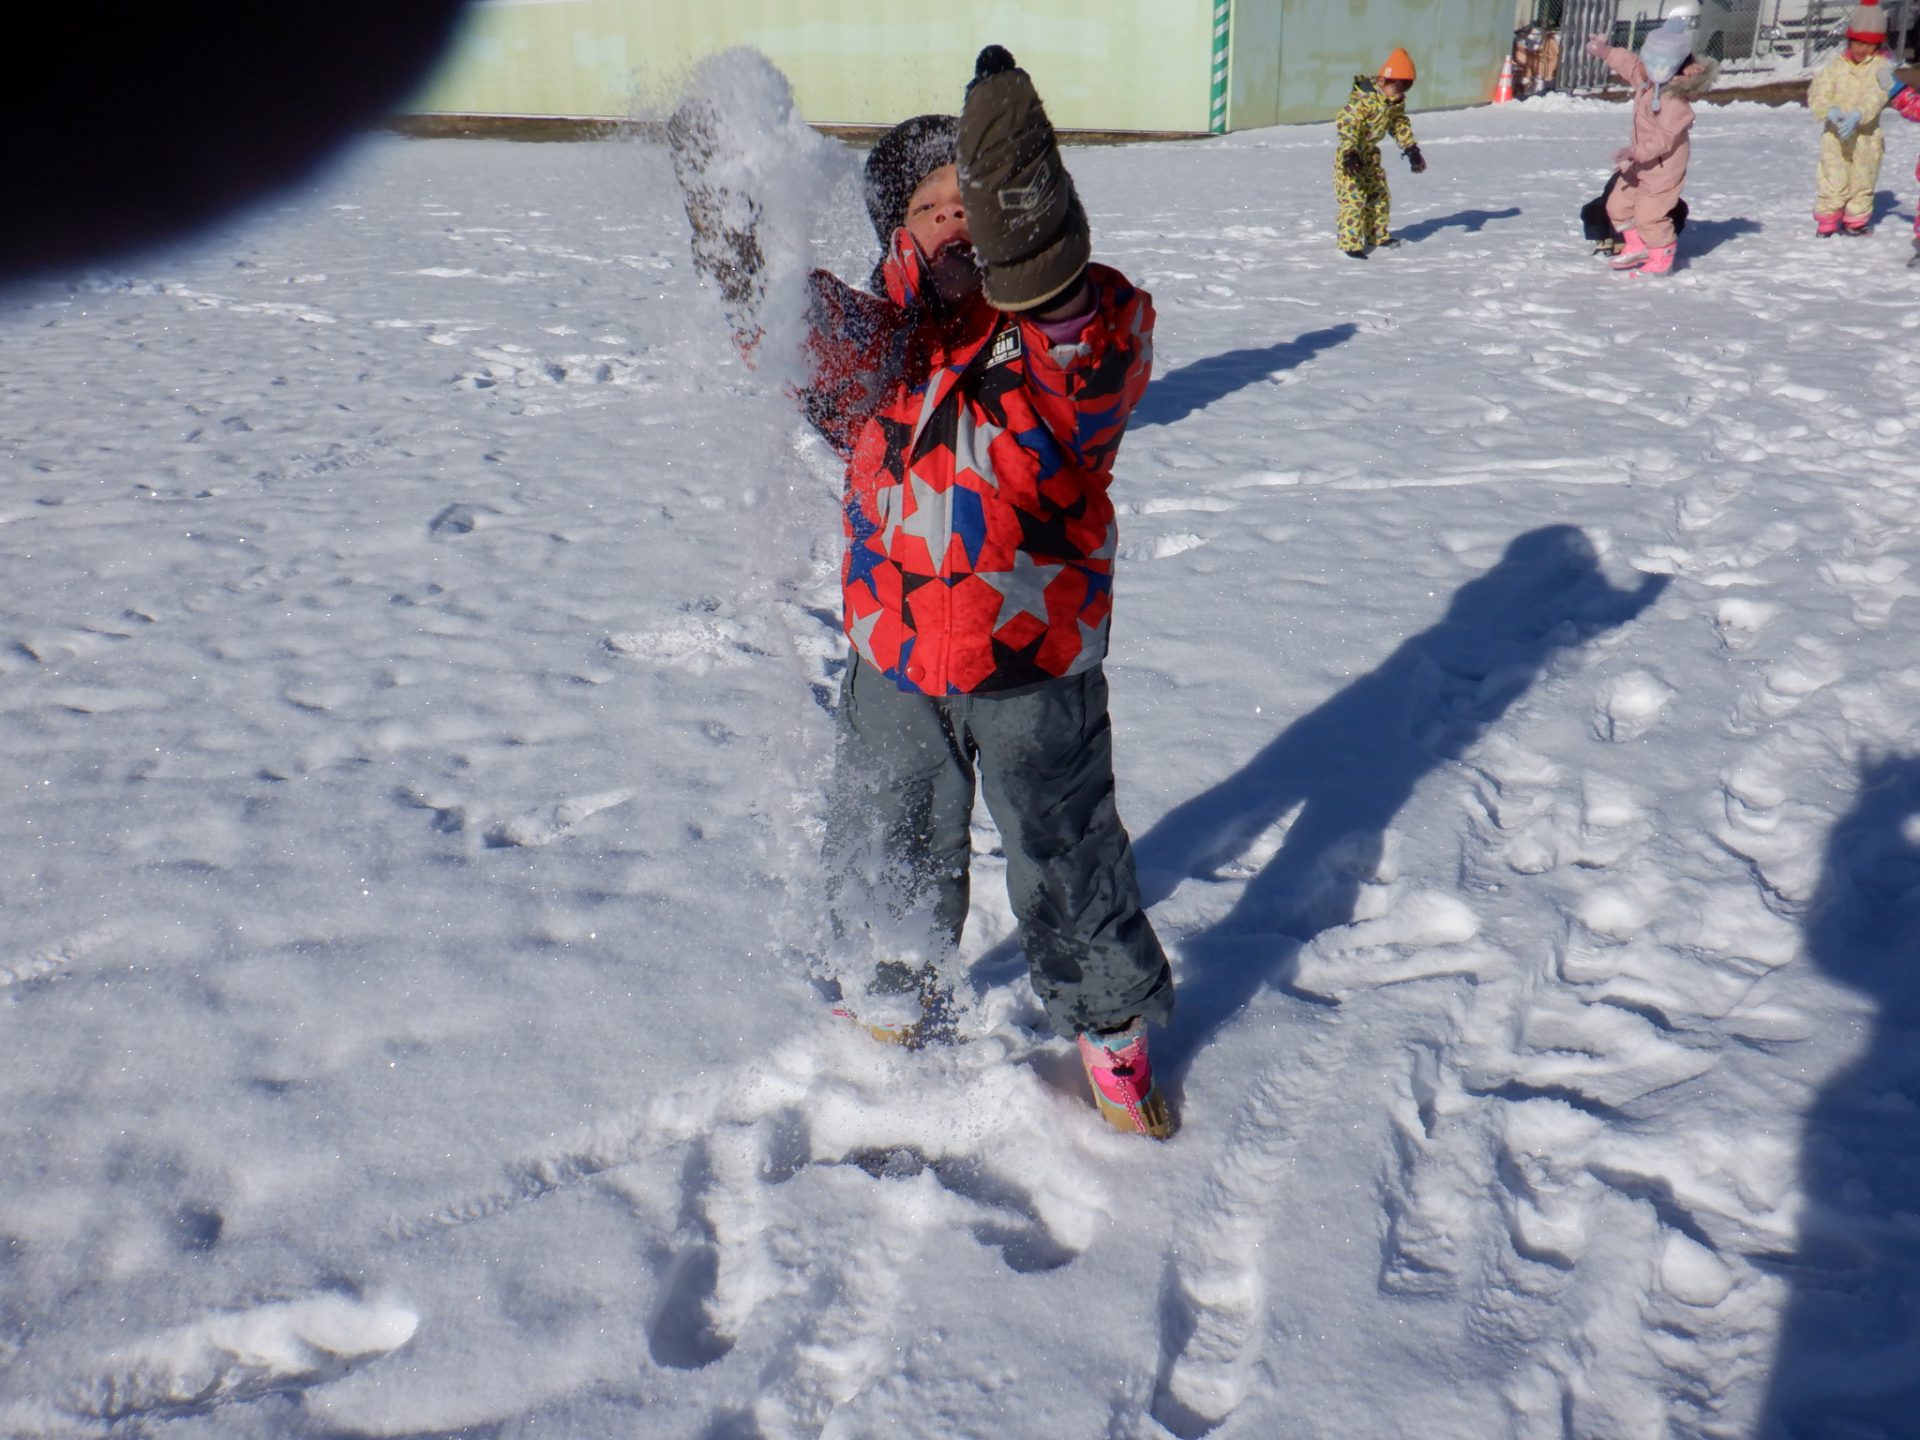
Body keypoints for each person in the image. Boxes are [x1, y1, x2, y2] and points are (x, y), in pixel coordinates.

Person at [669, 48, 1176, 1139]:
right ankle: (887, 996)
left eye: (972, 200)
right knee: (884, 835)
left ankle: (1112, 1030)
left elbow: (1094, 356)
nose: (953, 218)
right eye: (930, 206)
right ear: (899, 235)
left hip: (1032, 665)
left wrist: (1040, 257)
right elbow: (806, 342)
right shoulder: (883, 348)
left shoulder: (1056, 340)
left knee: (1065, 853)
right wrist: (746, 256)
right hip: (894, 659)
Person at [1585, 17, 1719, 276]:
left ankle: (1661, 254)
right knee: (1617, 205)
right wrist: (1605, 51)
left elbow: (1663, 139)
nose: (1647, 68)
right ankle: (1636, 245)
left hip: (1663, 168)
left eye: (1657, 64)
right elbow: (1630, 65)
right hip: (1640, 162)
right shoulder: (1647, 80)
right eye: (1649, 60)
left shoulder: (1674, 101)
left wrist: (1634, 152)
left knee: (1649, 214)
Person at [1809, 1, 1898, 237]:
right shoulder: (1835, 66)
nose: (1861, 49)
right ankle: (1828, 219)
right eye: (1857, 43)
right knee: (1832, 177)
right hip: (1834, 134)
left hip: (1866, 136)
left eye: (1868, 44)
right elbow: (1818, 91)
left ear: (1877, 45)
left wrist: (1859, 114)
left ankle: (1856, 220)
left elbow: (1877, 95)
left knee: (1863, 177)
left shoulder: (1882, 68)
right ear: (1849, 41)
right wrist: (1828, 110)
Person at [1332, 49, 1427, 259]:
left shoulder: (1392, 101)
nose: (1400, 94)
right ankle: (1349, 244)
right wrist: (1349, 152)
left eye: (1405, 89)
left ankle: (1377, 235)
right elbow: (1347, 123)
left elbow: (1398, 123)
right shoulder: (1363, 99)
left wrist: (1411, 149)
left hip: (1371, 157)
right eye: (1397, 88)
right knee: (1354, 199)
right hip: (1351, 158)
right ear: (1383, 81)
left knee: (1379, 195)